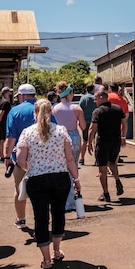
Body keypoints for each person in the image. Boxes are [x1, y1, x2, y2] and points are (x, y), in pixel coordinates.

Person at [15, 99, 81, 269]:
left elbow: (21, 158)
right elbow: (69, 159)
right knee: (58, 214)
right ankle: (57, 250)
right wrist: (76, 179)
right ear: (51, 112)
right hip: (60, 178)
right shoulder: (61, 131)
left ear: (34, 113)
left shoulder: (27, 133)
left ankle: (46, 259)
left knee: (41, 218)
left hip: (37, 180)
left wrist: (30, 168)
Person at [4, 83, 55, 229]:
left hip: (21, 158)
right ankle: (43, 219)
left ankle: (21, 219)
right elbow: (53, 130)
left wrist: (7, 157)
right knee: (44, 190)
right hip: (43, 157)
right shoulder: (44, 109)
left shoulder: (15, 111)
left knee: (20, 189)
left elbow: (11, 138)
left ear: (21, 95)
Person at [86, 90, 125, 201]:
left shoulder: (98, 111)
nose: (94, 101)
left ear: (102, 97)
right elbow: (124, 122)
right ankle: (117, 180)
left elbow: (92, 129)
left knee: (102, 169)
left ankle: (106, 193)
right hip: (115, 141)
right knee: (112, 163)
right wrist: (123, 136)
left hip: (103, 142)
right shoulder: (117, 108)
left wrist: (89, 143)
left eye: (96, 98)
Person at [53, 81, 86, 210]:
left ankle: (62, 199)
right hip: (73, 137)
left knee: (61, 167)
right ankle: (72, 198)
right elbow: (83, 126)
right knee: (73, 166)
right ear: (70, 94)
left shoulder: (54, 109)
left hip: (59, 137)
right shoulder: (76, 108)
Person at [107, 83, 129, 162]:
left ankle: (106, 167)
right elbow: (126, 115)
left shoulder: (107, 97)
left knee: (106, 146)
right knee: (116, 147)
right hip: (118, 126)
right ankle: (115, 163)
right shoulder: (123, 100)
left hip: (106, 125)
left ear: (110, 89)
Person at [77, 84, 97, 165]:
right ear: (93, 89)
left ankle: (82, 158)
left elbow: (80, 109)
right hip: (95, 121)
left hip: (85, 122)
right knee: (95, 141)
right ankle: (97, 159)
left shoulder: (83, 98)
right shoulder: (95, 98)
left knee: (84, 140)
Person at [0, 87, 13, 163]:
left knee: (2, 140)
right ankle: (2, 157)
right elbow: (0, 114)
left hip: (3, 123)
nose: (10, 93)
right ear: (6, 93)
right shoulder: (6, 103)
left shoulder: (3, 101)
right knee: (3, 140)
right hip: (4, 123)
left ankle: (2, 156)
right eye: (9, 92)